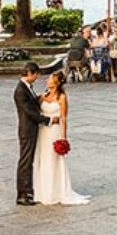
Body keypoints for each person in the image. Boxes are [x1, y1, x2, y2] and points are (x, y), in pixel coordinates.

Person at [32, 71, 89, 205]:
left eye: (51, 79)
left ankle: (56, 191)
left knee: (53, 160)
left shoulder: (62, 97)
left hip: (54, 131)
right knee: (43, 158)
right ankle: (43, 190)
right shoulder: (43, 95)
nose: (48, 80)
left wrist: (63, 137)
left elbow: (64, 118)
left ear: (56, 82)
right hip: (43, 131)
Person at [13, 62, 54, 206]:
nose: (37, 77)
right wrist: (47, 119)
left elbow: (31, 105)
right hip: (27, 129)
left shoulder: (26, 88)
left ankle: (27, 190)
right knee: (25, 160)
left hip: (30, 128)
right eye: (36, 74)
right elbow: (29, 111)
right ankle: (23, 193)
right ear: (30, 73)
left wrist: (39, 98)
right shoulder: (20, 90)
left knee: (28, 160)